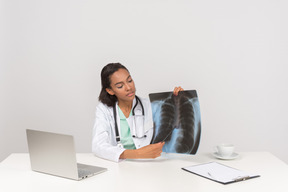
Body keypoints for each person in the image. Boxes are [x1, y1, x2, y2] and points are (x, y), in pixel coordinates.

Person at [92, 63, 183, 162]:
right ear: (110, 91)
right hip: (119, 166)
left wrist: (179, 103)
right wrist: (138, 154)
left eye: (129, 80)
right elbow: (98, 145)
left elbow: (172, 129)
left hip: (148, 165)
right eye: (120, 86)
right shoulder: (104, 110)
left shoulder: (149, 105)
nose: (128, 87)